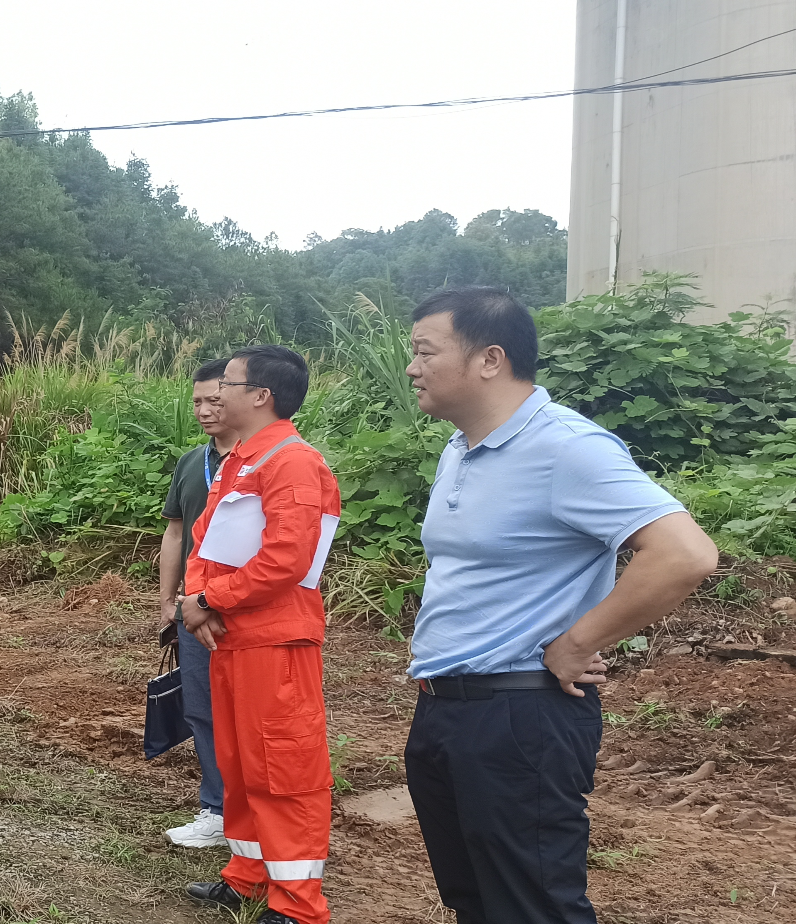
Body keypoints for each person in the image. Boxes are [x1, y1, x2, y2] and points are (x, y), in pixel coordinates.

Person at [402, 287, 717, 924]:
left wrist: (576, 642)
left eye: (424, 351)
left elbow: (684, 553)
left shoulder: (568, 447)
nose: (412, 367)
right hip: (443, 708)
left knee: (533, 906)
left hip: (522, 717)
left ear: (489, 359)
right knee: (474, 900)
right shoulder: (460, 446)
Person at [179, 345, 341, 924]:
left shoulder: (293, 462)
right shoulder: (240, 461)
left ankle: (298, 904)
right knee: (241, 764)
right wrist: (194, 602)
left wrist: (206, 601)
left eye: (228, 382)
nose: (217, 392)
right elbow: (204, 539)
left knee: (283, 770)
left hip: (274, 642)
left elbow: (287, 559)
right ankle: (248, 876)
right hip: (231, 637)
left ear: (261, 395)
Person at [156, 357, 235, 849]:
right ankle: (216, 807)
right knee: (202, 709)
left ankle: (252, 809)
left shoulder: (265, 461)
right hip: (192, 608)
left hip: (239, 610)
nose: (204, 411)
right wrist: (167, 599)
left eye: (215, 401)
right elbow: (174, 531)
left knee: (248, 714)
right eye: (197, 402)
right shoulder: (191, 463)